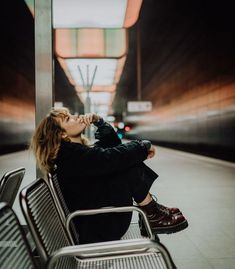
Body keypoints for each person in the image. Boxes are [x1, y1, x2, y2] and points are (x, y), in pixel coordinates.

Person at [31, 107, 188, 244]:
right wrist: (143, 146)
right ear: (62, 135)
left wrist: (98, 121)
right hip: (101, 227)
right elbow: (111, 157)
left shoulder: (74, 153)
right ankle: (151, 212)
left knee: (121, 160)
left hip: (101, 219)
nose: (76, 116)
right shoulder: (71, 156)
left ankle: (151, 211)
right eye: (68, 118)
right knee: (122, 163)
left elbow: (112, 145)